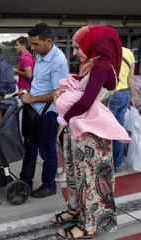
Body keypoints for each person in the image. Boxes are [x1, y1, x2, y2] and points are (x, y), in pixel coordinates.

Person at [52, 25, 125, 240]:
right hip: (79, 133)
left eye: (77, 47)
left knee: (91, 179)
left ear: (94, 45)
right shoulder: (91, 64)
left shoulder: (102, 66)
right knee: (75, 174)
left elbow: (85, 101)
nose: (74, 52)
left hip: (92, 137)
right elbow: (80, 88)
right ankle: (75, 209)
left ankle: (90, 225)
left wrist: (63, 118)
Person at [19, 23, 69, 198]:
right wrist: (28, 94)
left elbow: (58, 93)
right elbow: (39, 83)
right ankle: (25, 181)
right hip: (34, 111)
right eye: (31, 44)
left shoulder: (59, 61)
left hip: (48, 113)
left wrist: (32, 98)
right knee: (30, 147)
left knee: (47, 151)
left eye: (35, 44)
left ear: (48, 41)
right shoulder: (41, 55)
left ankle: (49, 185)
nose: (32, 48)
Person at [109, 47, 136, 172]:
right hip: (125, 95)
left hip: (112, 95)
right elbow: (131, 78)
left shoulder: (107, 51)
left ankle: (108, 162)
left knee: (107, 131)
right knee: (118, 131)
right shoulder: (129, 52)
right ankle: (117, 164)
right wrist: (133, 96)